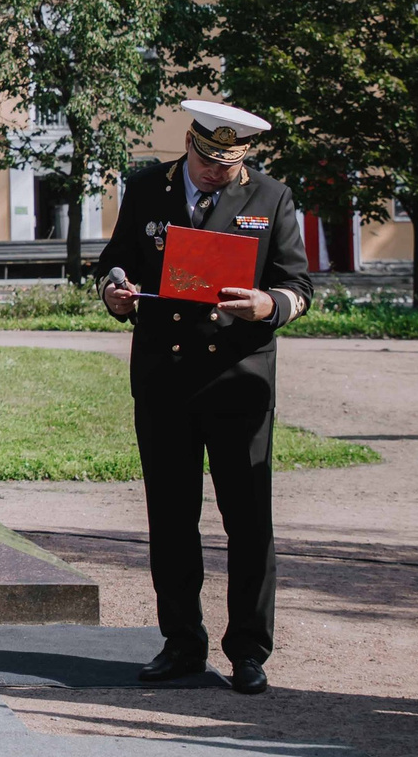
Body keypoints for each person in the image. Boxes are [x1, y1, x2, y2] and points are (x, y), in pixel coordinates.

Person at [98, 99, 313, 695]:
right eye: (207, 159)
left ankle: (248, 648)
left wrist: (269, 305)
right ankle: (182, 642)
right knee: (171, 515)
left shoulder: (271, 197)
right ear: (189, 143)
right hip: (165, 378)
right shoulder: (146, 187)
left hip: (238, 376)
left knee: (248, 519)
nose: (217, 171)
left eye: (229, 163)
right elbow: (116, 263)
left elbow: (298, 284)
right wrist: (115, 291)